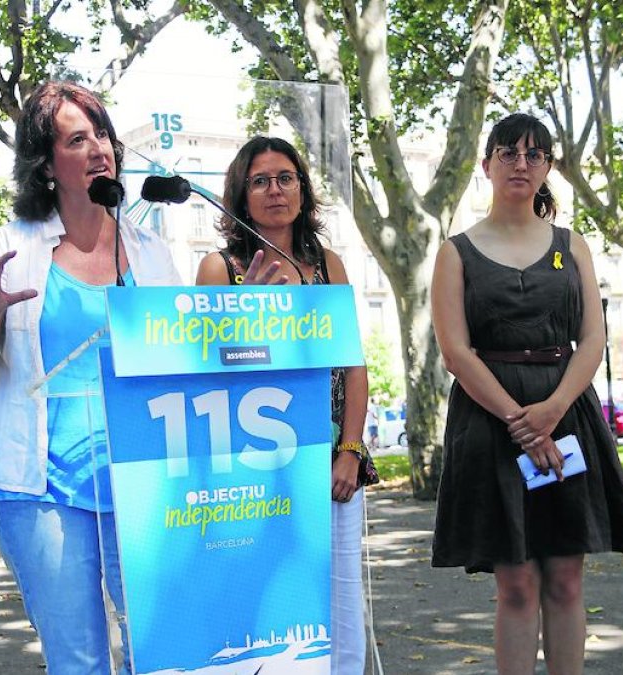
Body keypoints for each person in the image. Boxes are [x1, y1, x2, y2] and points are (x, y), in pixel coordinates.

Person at [0, 80, 180, 675]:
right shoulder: (9, 248)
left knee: (162, 651)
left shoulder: (151, 251)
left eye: (102, 133)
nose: (100, 148)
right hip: (44, 490)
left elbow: (185, 366)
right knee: (78, 662)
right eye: (78, 139)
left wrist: (244, 315)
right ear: (46, 165)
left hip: (145, 485)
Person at [429, 112, 623, 674]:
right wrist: (519, 421)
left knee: (567, 579)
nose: (520, 163)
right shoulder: (456, 252)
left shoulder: (572, 247)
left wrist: (553, 410)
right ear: (487, 165)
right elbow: (456, 352)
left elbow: (592, 338)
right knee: (518, 583)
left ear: (547, 167)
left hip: (566, 413)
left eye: (533, 154)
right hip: (489, 422)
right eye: (508, 153)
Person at [194, 136, 378, 675]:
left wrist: (349, 450)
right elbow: (205, 376)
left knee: (343, 606)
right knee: (268, 610)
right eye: (260, 180)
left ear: (302, 190)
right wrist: (242, 315)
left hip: (330, 465)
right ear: (241, 195)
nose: (274, 189)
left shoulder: (328, 266)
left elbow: (354, 366)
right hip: (257, 473)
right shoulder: (218, 269)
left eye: (285, 177)